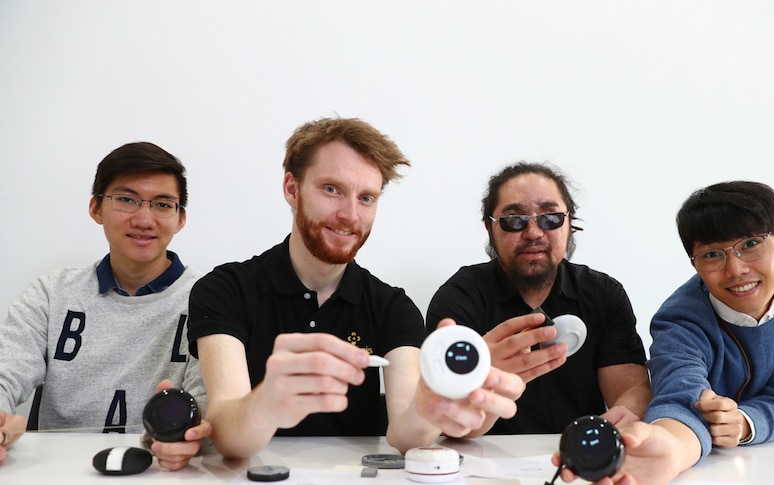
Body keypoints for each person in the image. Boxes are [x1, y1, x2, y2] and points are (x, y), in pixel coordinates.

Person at [186, 117, 524, 460]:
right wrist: (266, 403)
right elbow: (227, 435)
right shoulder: (223, 289)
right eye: (332, 189)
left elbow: (405, 435)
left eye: (366, 198)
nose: (349, 214)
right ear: (291, 188)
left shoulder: (392, 306)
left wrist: (428, 408)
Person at [551, 180, 774, 484]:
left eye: (750, 244)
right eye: (712, 255)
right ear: (694, 263)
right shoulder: (679, 318)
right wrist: (670, 449)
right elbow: (679, 396)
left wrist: (744, 423)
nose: (736, 270)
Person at [0, 141, 211, 469]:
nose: (144, 219)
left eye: (162, 205)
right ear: (96, 208)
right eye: (126, 200)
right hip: (53, 471)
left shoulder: (208, 299)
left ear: (180, 218)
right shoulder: (51, 293)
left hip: (162, 470)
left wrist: (191, 438)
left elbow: (209, 406)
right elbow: (6, 370)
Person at [426, 161, 651, 434]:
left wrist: (622, 417)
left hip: (579, 457)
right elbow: (452, 417)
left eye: (550, 218)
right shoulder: (459, 298)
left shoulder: (603, 294)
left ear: (569, 223)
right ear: (490, 229)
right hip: (485, 461)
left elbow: (630, 388)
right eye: (513, 221)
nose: (533, 233)